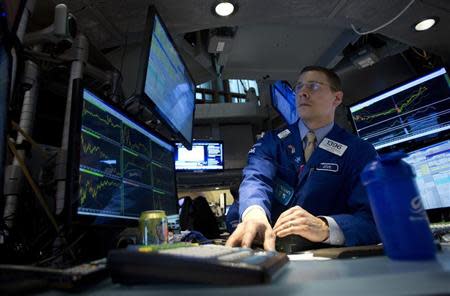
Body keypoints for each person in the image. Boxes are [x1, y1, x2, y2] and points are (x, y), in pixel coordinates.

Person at [226, 66, 380, 251]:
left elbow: (374, 220)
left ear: (337, 98)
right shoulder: (272, 141)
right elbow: (256, 178)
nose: (302, 93)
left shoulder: (359, 151)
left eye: (313, 86)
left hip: (328, 261)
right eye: (299, 87)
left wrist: (325, 227)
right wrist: (254, 214)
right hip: (271, 253)